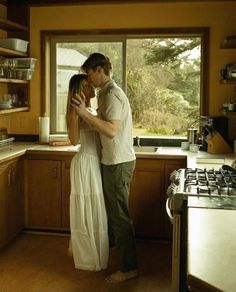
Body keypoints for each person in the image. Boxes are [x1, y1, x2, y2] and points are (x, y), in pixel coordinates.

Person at [71, 53, 138, 283]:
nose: (89, 81)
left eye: (90, 75)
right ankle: (118, 256)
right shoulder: (105, 94)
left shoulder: (111, 96)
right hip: (112, 161)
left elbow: (110, 130)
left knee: (120, 217)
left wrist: (83, 114)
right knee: (114, 216)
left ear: (100, 70)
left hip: (118, 162)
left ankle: (129, 267)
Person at [66, 73, 109, 271]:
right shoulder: (74, 112)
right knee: (85, 210)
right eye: (86, 86)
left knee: (95, 209)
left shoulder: (93, 108)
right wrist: (77, 114)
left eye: (91, 85)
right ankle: (86, 255)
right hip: (85, 163)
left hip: (95, 162)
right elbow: (74, 141)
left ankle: (94, 252)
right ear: (78, 91)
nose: (91, 88)